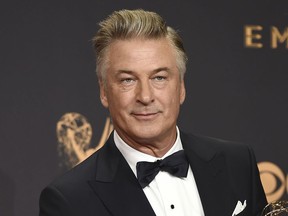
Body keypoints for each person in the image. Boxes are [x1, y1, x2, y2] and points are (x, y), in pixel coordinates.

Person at [39, 9, 267, 216]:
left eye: (159, 78)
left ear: (181, 87)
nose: (145, 97)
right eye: (127, 80)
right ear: (104, 92)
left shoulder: (237, 163)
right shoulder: (69, 200)